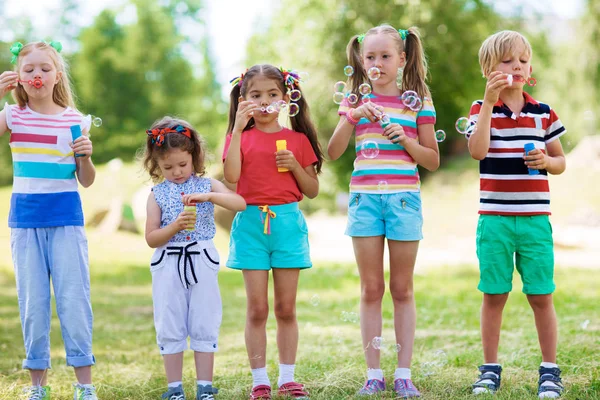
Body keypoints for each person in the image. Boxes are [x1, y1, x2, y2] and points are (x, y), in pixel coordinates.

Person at [327, 25, 439, 398]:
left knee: (402, 288)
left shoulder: (418, 101)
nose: (377, 63)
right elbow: (333, 152)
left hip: (404, 198)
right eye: (370, 57)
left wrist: (403, 138)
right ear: (361, 59)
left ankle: (403, 373)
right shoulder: (353, 101)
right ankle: (373, 373)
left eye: (385, 56)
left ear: (403, 59)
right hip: (365, 199)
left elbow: (432, 160)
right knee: (371, 288)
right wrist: (353, 115)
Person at [467, 30, 566, 399]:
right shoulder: (480, 111)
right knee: (494, 294)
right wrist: (490, 104)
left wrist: (546, 160)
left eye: (523, 60)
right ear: (488, 69)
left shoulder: (543, 113)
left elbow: (560, 162)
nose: (518, 66)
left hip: (535, 220)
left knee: (541, 294)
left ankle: (550, 370)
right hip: (494, 219)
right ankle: (490, 369)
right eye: (507, 61)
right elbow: (477, 152)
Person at [0, 41, 98, 400]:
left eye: (44, 68)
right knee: (33, 301)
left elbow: (85, 180)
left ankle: (84, 386)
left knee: (74, 298)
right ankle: (37, 387)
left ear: (57, 75)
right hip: (25, 222)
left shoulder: (76, 120)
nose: (37, 75)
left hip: (66, 220)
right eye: (29, 70)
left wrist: (86, 157)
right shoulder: (12, 116)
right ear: (19, 78)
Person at [223, 64, 324, 399]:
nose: (264, 102)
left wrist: (295, 166)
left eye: (272, 94)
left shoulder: (297, 141)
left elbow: (312, 190)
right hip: (251, 225)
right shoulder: (237, 139)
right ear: (243, 100)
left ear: (286, 99)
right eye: (255, 95)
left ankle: (288, 377)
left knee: (285, 308)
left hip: (287, 227)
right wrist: (237, 129)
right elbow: (231, 179)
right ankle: (259, 380)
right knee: (256, 309)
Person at [142, 116, 246, 400]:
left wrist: (210, 197)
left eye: (182, 165)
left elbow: (240, 203)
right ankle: (174, 388)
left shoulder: (207, 184)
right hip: (168, 263)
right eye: (167, 167)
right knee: (170, 320)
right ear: (156, 165)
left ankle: (204, 387)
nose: (176, 172)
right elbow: (151, 237)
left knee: (204, 318)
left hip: (200, 258)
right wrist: (173, 226)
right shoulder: (156, 194)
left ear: (194, 157)